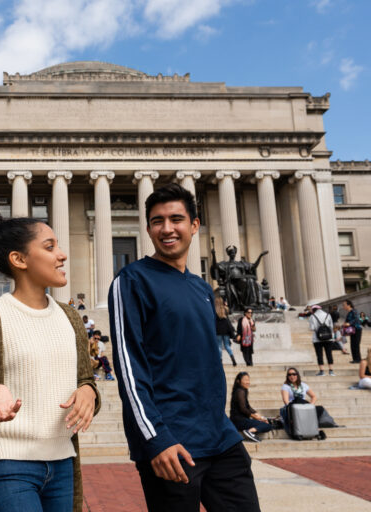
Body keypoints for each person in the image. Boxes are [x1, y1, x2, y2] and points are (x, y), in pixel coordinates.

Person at [108, 183, 260, 512]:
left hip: (220, 437)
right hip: (170, 443)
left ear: (194, 225)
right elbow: (129, 368)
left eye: (176, 219)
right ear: (148, 228)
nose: (167, 229)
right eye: (157, 221)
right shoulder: (131, 281)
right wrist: (155, 439)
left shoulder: (203, 289)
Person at [0, 214, 100, 512]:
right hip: (5, 465)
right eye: (49, 246)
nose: (62, 254)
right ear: (19, 259)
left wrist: (89, 393)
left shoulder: (70, 318)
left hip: (63, 464)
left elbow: (86, 381)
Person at [279, 367, 337, 435]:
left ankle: (310, 424)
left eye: (294, 374)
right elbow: (286, 401)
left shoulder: (304, 385)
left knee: (320, 408)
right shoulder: (285, 386)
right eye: (289, 375)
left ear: (297, 375)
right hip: (292, 407)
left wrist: (310, 406)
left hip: (304, 407)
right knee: (298, 400)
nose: (292, 376)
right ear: (287, 376)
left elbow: (314, 396)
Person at [230, 372, 272, 443]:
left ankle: (250, 431)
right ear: (238, 381)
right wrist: (255, 416)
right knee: (268, 425)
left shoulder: (242, 390)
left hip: (239, 420)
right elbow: (243, 409)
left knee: (266, 423)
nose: (248, 382)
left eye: (248, 380)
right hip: (239, 421)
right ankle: (249, 431)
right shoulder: (240, 391)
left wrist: (259, 416)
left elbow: (248, 407)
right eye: (245, 380)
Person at [308, 305, 335, 376]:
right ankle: (331, 371)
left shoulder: (312, 316)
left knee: (319, 354)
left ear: (314, 310)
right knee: (329, 353)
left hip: (317, 338)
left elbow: (312, 328)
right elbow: (331, 326)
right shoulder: (328, 315)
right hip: (328, 337)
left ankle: (322, 371)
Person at [214, 294, 238, 366]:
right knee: (227, 346)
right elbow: (228, 316)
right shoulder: (225, 309)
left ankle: (220, 361)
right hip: (226, 330)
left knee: (219, 346)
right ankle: (232, 358)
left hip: (218, 330)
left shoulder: (214, 311)